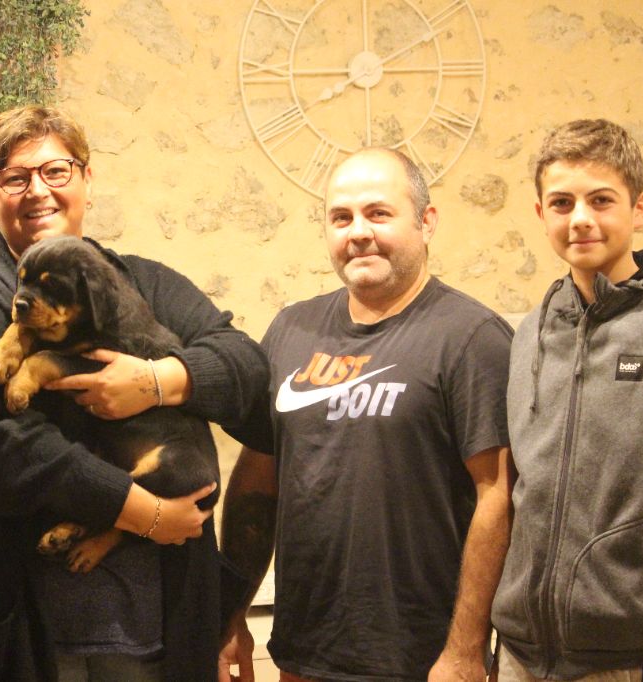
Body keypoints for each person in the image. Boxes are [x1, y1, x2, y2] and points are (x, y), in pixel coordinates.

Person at [0, 104, 269, 681]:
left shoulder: (141, 280)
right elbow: (1, 446)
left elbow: (246, 367)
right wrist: (145, 514)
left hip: (162, 617)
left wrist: (155, 383)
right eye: (14, 177)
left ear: (85, 179)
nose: (38, 190)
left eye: (56, 171)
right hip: (46, 630)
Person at [219, 147, 514, 682]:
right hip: (304, 653)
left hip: (424, 661)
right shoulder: (291, 331)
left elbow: (499, 498)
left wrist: (466, 649)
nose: (358, 232)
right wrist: (230, 612)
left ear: (426, 222)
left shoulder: (472, 338)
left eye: (378, 213)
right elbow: (257, 485)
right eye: (341, 217)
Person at [491, 119, 643, 682]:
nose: (580, 218)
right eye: (562, 202)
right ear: (541, 214)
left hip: (630, 657)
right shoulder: (530, 333)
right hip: (520, 655)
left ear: (639, 208)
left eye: (601, 200)